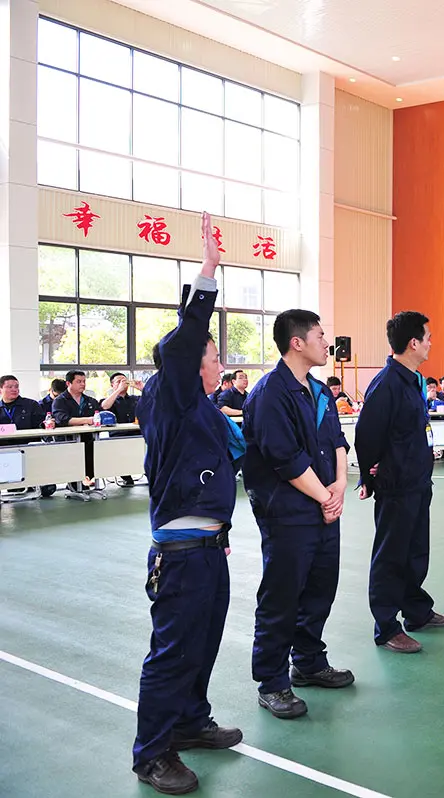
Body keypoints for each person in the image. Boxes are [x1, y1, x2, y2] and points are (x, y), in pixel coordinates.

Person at [131, 212, 243, 795]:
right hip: (180, 551)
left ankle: (191, 721)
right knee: (173, 651)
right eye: (213, 355)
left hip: (209, 546)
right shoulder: (170, 396)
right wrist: (208, 271)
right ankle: (152, 753)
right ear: (189, 363)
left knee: (203, 640)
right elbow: (184, 341)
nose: (221, 364)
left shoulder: (202, 407)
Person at [243, 310, 354, 720]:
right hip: (287, 512)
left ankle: (308, 661)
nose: (327, 343)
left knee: (320, 588)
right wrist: (326, 497)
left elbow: (337, 441)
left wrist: (338, 486)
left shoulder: (320, 390)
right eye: (321, 336)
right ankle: (272, 682)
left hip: (323, 506)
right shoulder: (270, 394)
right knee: (282, 595)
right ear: (297, 342)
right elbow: (284, 457)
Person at [355, 311, 444, 654]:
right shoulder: (387, 384)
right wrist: (370, 475)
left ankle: (416, 611)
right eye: (427, 337)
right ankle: (386, 627)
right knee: (391, 557)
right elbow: (366, 434)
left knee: (415, 553)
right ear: (413, 343)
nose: (430, 343)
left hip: (417, 482)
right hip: (396, 486)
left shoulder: (413, 380)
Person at [52, 370, 104, 498]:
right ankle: (74, 483)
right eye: (79, 381)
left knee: (94, 456)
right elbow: (63, 419)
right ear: (68, 383)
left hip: (88, 438)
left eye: (84, 381)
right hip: (68, 440)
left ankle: (86, 481)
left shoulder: (90, 400)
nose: (82, 384)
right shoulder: (60, 401)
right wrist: (88, 420)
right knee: (73, 460)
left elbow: (99, 415)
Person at [103, 372, 144, 487]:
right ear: (112, 385)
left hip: (137, 434)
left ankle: (148, 470)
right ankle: (125, 475)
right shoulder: (109, 400)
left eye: (124, 381)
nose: (123, 383)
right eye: (118, 381)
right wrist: (118, 390)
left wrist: (142, 388)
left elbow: (155, 398)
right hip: (118, 436)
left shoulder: (135, 399)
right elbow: (105, 406)